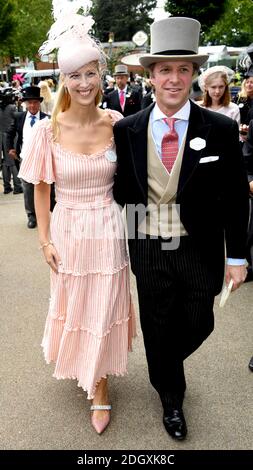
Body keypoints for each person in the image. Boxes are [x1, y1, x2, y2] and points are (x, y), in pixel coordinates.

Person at [113, 17, 249, 440]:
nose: (174, 79)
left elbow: (234, 197)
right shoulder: (127, 129)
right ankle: (171, 397)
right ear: (151, 75)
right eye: (165, 70)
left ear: (193, 74)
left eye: (183, 69)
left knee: (198, 320)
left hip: (199, 244)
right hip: (149, 242)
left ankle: (164, 361)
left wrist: (237, 257)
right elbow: (119, 190)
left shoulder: (221, 129)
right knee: (157, 321)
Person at [18, 5, 136, 435]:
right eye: (75, 75)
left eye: (90, 73)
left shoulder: (118, 124)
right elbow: (41, 190)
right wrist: (44, 241)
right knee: (77, 304)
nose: (83, 83)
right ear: (63, 81)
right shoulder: (46, 132)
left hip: (106, 228)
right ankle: (83, 364)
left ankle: (99, 387)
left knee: (104, 306)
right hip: (67, 229)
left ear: (101, 76)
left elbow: (139, 183)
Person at [6, 86, 49, 228]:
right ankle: (31, 215)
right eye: (29, 102)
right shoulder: (19, 117)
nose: (32, 105)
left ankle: (49, 211)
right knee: (28, 188)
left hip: (43, 159)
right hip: (25, 158)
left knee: (47, 186)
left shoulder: (47, 119)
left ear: (39, 103)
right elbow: (9, 133)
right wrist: (11, 148)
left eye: (35, 102)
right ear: (25, 104)